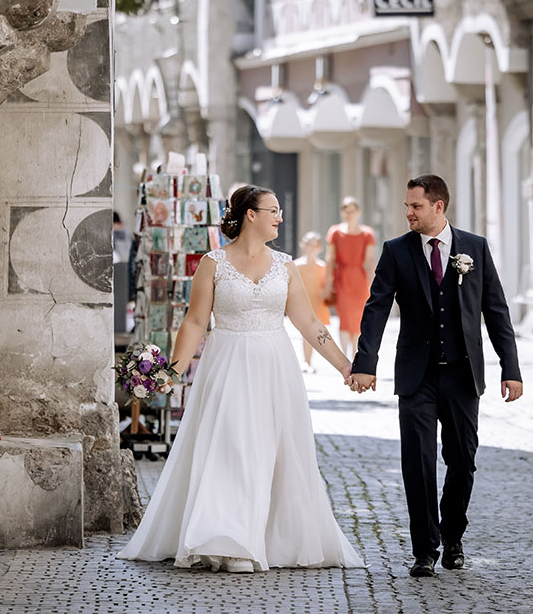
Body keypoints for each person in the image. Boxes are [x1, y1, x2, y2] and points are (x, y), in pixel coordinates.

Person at [118, 185, 365, 573]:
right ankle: (230, 540)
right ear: (250, 214)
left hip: (275, 368)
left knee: (271, 450)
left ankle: (268, 538)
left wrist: (345, 366)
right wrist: (172, 373)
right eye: (273, 210)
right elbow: (196, 321)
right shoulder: (213, 263)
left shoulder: (286, 266)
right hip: (228, 363)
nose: (279, 217)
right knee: (231, 448)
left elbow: (310, 324)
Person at [348, 174, 523, 578]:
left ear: (438, 206)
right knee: (418, 462)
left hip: (463, 375)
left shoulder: (474, 248)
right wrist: (365, 362)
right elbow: (376, 309)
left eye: (416, 206)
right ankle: (424, 549)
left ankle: (454, 537)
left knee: (462, 461)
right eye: (407, 206)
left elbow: (496, 311)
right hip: (416, 376)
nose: (408, 212)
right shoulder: (396, 251)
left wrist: (510, 369)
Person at [324, 197, 376, 357]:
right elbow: (330, 259)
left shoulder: (367, 234)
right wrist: (327, 283)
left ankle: (356, 354)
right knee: (345, 318)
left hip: (360, 281)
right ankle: (345, 356)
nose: (348, 215)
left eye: (351, 211)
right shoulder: (335, 232)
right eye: (345, 211)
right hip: (342, 279)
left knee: (359, 317)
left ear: (358, 212)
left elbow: (369, 261)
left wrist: (374, 285)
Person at [294, 232, 329, 373]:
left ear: (319, 247)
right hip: (303, 303)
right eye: (309, 244)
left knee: (316, 332)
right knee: (305, 332)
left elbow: (325, 286)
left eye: (315, 244)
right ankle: (306, 361)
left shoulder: (323, 266)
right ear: (303, 245)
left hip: (318, 302)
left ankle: (310, 361)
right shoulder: (297, 265)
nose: (312, 247)